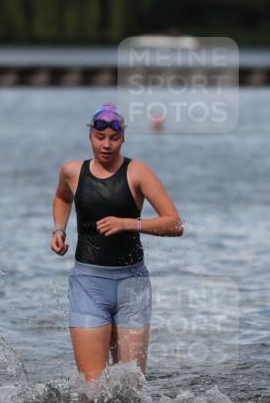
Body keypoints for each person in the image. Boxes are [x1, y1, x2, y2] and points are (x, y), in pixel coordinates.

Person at [51, 103, 183, 383]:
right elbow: (62, 197)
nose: (107, 145)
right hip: (89, 284)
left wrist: (129, 223)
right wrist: (58, 229)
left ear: (123, 138)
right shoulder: (72, 171)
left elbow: (175, 224)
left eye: (114, 138)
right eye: (100, 138)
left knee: (129, 388)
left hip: (132, 286)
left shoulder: (138, 172)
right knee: (93, 390)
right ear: (90, 136)